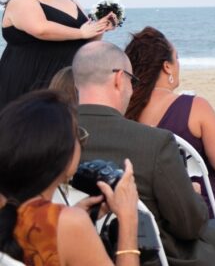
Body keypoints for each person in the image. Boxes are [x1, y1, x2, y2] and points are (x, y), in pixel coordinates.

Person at [74, 41, 215, 265]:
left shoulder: (47, 138)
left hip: (77, 250)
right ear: (118, 79)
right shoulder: (153, 142)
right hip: (156, 256)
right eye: (132, 82)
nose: (132, 90)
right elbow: (190, 226)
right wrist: (193, 193)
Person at [0, 90, 140, 266]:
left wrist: (73, 216)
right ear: (60, 153)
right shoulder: (68, 224)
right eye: (77, 135)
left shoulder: (15, 213)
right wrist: (128, 220)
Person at [125, 26, 215, 217]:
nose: (178, 64)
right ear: (167, 66)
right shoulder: (195, 107)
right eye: (177, 58)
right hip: (191, 202)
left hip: (141, 201)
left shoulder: (123, 108)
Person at [0, 0, 115, 109]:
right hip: (29, 78)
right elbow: (41, 29)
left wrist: (100, 27)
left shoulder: (70, 0)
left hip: (66, 80)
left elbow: (87, 41)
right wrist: (80, 32)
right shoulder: (21, 0)